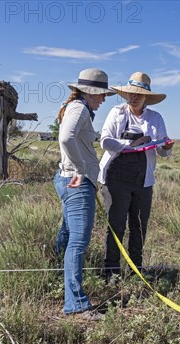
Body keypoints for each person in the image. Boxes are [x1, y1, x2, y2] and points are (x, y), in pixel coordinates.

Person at [98, 72, 174, 278]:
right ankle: (111, 271)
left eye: (139, 94)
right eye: (131, 93)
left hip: (143, 181)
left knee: (139, 226)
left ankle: (136, 271)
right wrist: (132, 145)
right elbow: (105, 140)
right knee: (116, 225)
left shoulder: (155, 118)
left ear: (146, 97)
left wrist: (166, 147)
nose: (134, 97)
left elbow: (162, 151)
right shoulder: (117, 112)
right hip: (116, 179)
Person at [54, 68, 115, 319]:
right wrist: (80, 169)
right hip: (76, 182)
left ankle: (54, 275)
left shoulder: (77, 107)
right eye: (101, 95)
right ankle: (76, 304)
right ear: (89, 92)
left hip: (68, 179)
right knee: (78, 242)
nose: (103, 100)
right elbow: (66, 138)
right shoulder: (79, 108)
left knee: (68, 234)